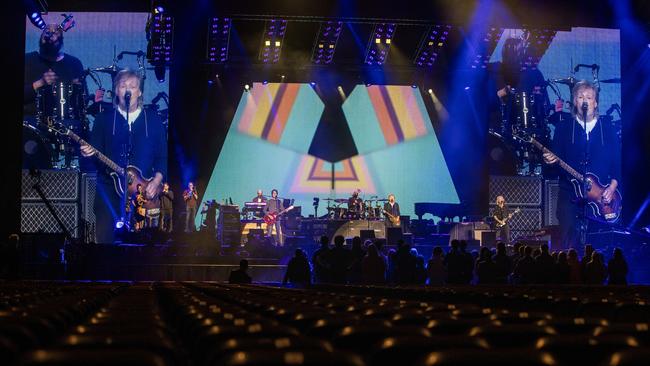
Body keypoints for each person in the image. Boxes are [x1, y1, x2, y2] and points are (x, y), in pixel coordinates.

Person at [81, 69, 167, 243]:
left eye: (132, 86)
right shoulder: (103, 119)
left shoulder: (153, 120)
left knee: (143, 249)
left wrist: (156, 181)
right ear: (116, 91)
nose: (127, 90)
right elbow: (93, 159)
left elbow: (162, 157)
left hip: (142, 194)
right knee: (106, 246)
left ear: (140, 92)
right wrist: (88, 155)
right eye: (123, 86)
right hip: (109, 191)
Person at [543, 81, 621, 249]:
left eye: (589, 97)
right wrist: (550, 162)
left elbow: (618, 162)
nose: (584, 100)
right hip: (569, 192)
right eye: (580, 97)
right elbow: (553, 166)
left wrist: (612, 188)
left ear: (596, 102)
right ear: (575, 102)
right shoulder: (564, 128)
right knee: (568, 238)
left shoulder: (606, 129)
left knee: (599, 244)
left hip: (601, 195)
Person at [23, 24, 86, 117]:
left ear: (61, 40)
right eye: (47, 30)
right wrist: (39, 83)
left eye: (55, 32)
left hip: (66, 125)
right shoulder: (28, 60)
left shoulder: (74, 63)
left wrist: (77, 90)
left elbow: (83, 100)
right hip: (32, 124)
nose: (50, 33)